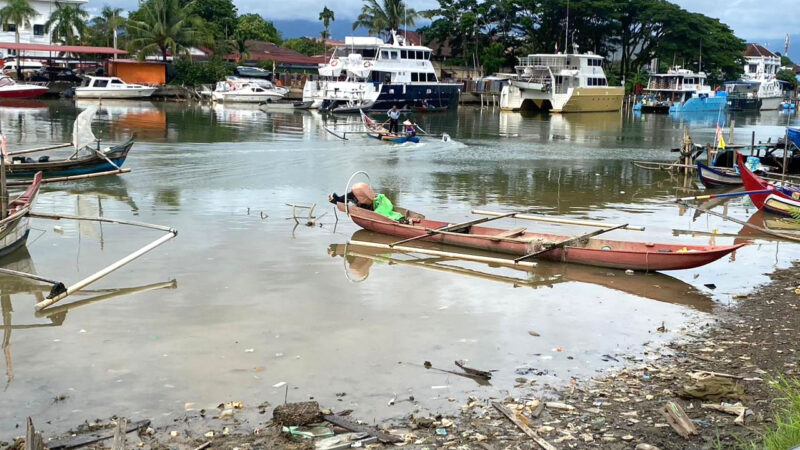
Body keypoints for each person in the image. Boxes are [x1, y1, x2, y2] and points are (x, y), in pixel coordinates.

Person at [329, 182, 409, 223]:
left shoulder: (377, 203)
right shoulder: (370, 199)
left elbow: (385, 212)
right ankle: (339, 199)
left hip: (373, 205)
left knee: (354, 196)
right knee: (353, 195)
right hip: (369, 202)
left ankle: (338, 200)